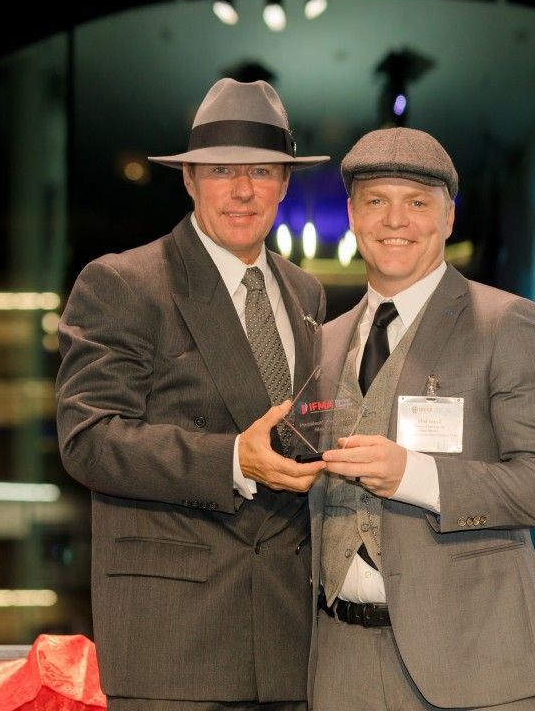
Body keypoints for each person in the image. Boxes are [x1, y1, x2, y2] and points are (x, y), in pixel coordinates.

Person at [56, 78, 330, 711]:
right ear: (189, 180)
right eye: (221, 170)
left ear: (284, 183)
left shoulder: (306, 293)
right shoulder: (124, 282)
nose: (242, 189)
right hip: (176, 644)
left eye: (261, 170)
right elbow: (88, 439)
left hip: (292, 643)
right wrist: (232, 460)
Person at [309, 127, 535, 711]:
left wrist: (415, 476)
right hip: (338, 666)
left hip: (476, 661)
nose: (395, 220)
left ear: (449, 217)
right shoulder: (322, 344)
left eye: (417, 202)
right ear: (353, 216)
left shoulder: (506, 322)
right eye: (376, 201)